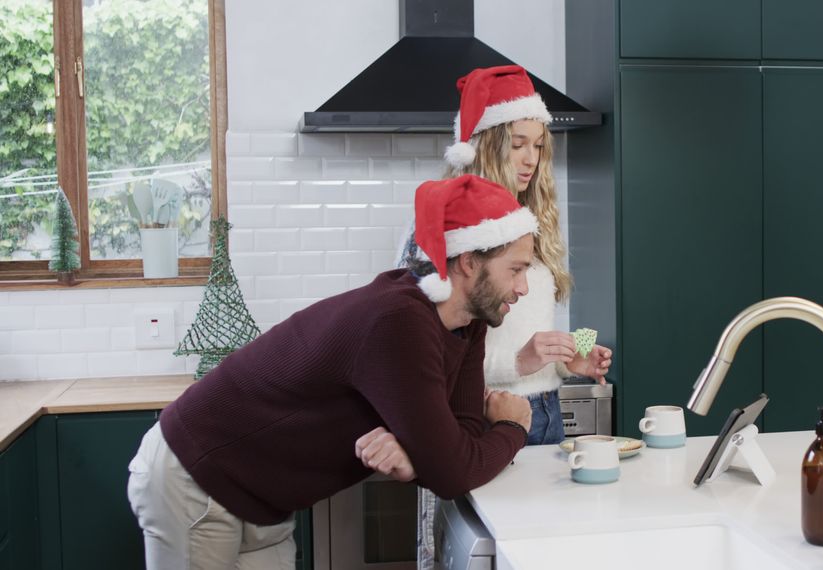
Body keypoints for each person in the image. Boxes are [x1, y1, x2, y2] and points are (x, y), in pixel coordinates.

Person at [127, 174, 537, 569]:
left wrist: (421, 460)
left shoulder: (468, 322)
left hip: (263, 499)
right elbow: (453, 469)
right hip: (198, 478)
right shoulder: (400, 320)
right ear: (468, 262)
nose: (523, 288)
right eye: (515, 270)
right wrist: (512, 428)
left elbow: (458, 439)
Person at [396, 65, 613, 570]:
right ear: (488, 142)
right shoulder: (444, 226)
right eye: (518, 143)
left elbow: (541, 328)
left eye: (538, 145)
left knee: (540, 555)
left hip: (546, 418)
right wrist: (520, 360)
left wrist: (573, 360)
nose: (531, 160)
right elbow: (425, 355)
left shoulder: (535, 223)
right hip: (479, 419)